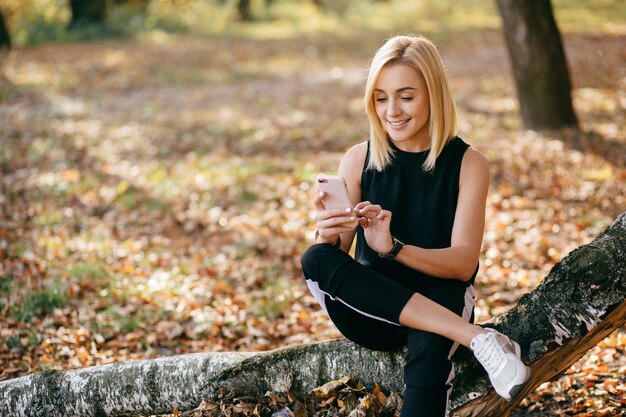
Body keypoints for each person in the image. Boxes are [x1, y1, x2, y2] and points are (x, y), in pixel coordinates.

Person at [300, 34, 531, 417]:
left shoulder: (468, 163)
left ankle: (464, 337)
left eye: (406, 96)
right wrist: (328, 232)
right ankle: (479, 340)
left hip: (443, 299)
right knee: (315, 257)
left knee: (429, 348)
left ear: (433, 95)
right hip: (373, 312)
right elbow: (336, 253)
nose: (392, 110)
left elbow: (463, 264)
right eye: (381, 97)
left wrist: (394, 248)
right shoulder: (358, 158)